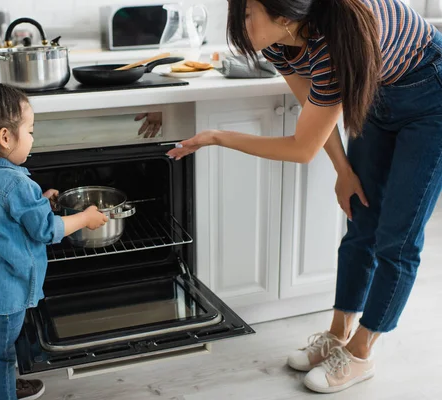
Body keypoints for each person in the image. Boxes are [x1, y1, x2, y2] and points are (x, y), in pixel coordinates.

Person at [167, 0, 442, 393]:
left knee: (396, 239)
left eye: (247, 16)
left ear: (283, 16)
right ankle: (339, 331)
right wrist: (344, 172)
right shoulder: (280, 42)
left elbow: (301, 148)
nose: (240, 27)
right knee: (360, 219)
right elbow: (311, 108)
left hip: (431, 91)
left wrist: (217, 136)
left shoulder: (333, 42)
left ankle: (361, 353)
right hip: (377, 92)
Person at [0, 82, 108, 400]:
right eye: (31, 131)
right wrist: (85, 218)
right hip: (7, 293)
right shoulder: (16, 184)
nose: (33, 139)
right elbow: (47, 231)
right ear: (6, 137)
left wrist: (41, 201)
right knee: (2, 355)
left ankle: (7, 383)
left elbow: (4, 218)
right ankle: (5, 392)